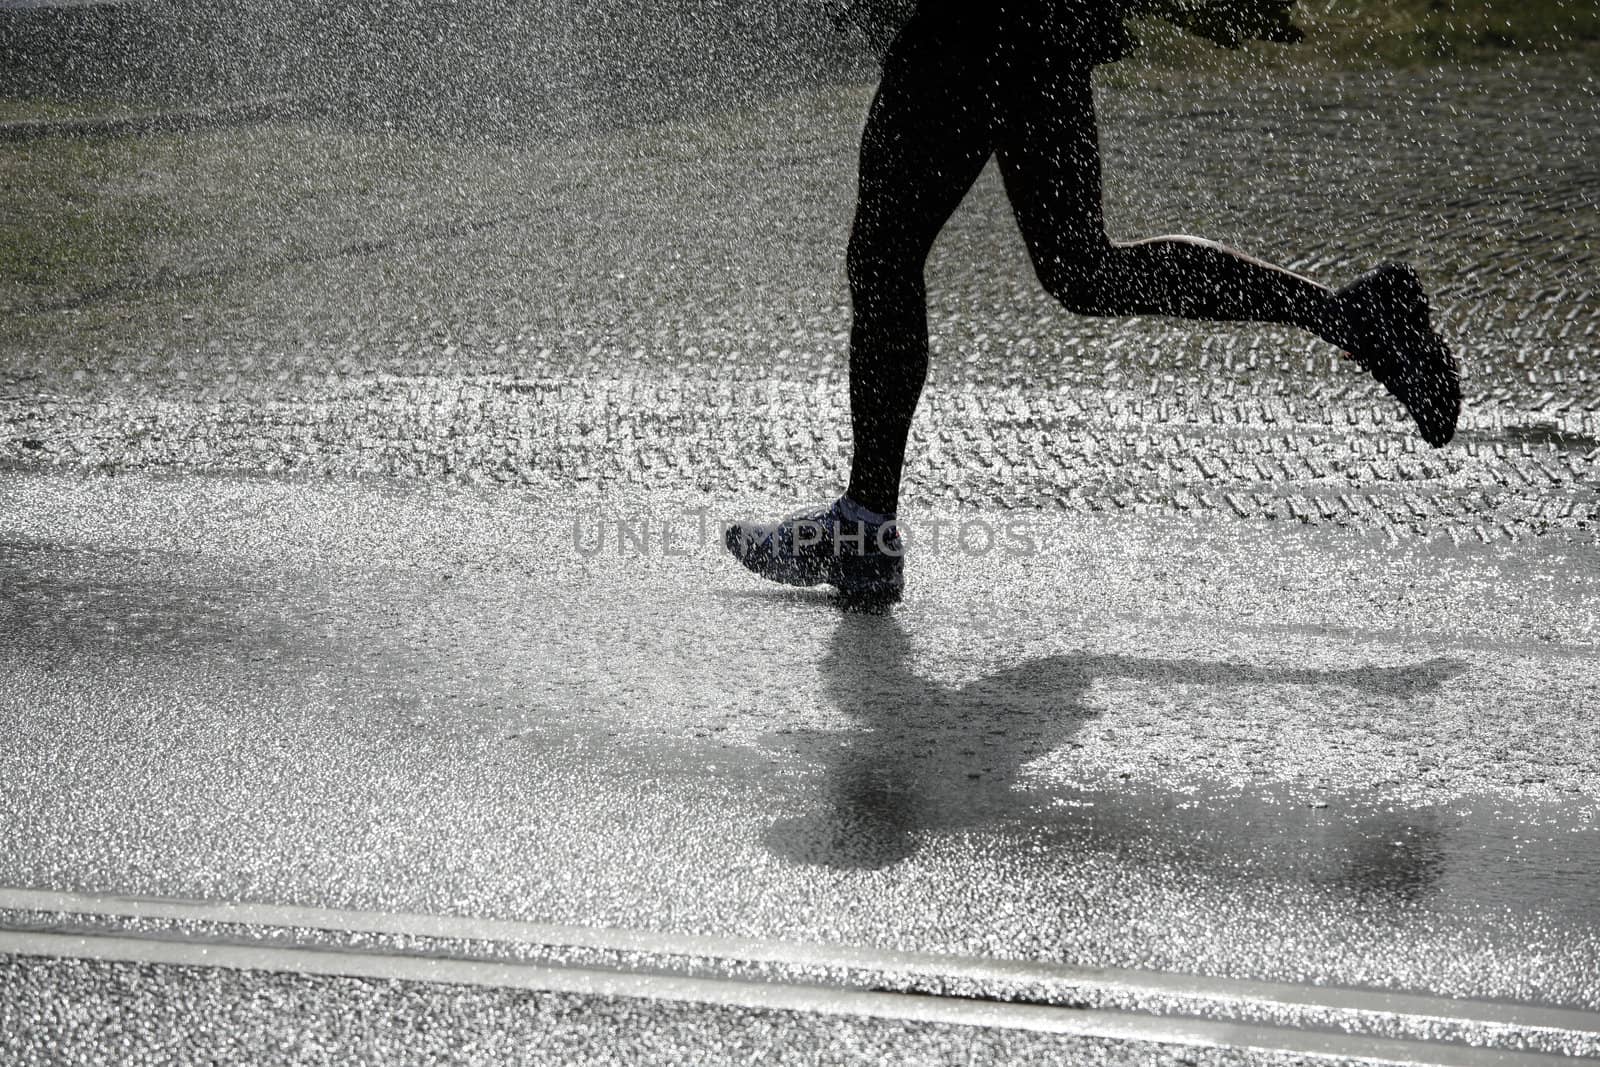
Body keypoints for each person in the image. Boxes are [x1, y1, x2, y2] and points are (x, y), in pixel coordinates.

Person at [725, 0, 1461, 605]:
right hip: (1043, 23)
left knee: (885, 260)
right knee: (1080, 265)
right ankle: (1348, 315)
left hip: (975, 29)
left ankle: (865, 532)